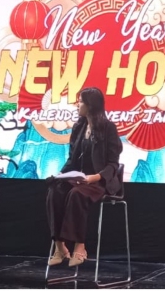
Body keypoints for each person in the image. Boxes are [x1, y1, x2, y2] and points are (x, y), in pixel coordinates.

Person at [46, 87, 123, 267]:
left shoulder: (108, 128)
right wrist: (61, 175)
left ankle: (80, 246)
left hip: (99, 180)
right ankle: (59, 246)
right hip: (79, 178)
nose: (77, 105)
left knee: (77, 194)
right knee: (55, 191)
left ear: (90, 105)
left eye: (80, 101)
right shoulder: (78, 127)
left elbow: (113, 164)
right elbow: (72, 158)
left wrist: (95, 177)